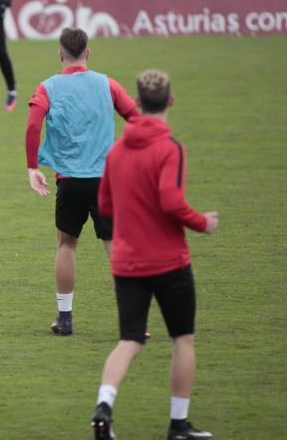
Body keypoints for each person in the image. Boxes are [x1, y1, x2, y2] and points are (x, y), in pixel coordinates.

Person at [90, 70, 218, 440]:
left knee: (129, 339)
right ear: (171, 102)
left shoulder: (116, 151)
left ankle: (104, 406)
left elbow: (106, 206)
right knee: (182, 339)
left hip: (127, 261)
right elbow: (171, 201)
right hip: (168, 261)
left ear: (138, 103)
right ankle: (178, 424)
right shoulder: (170, 148)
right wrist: (201, 223)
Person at [25, 27, 138, 335]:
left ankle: (64, 318)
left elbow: (34, 124)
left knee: (66, 244)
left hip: (70, 180)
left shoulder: (47, 87)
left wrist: (33, 166)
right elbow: (137, 117)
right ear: (88, 52)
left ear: (60, 54)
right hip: (106, 180)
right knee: (115, 247)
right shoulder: (108, 84)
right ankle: (133, 322)